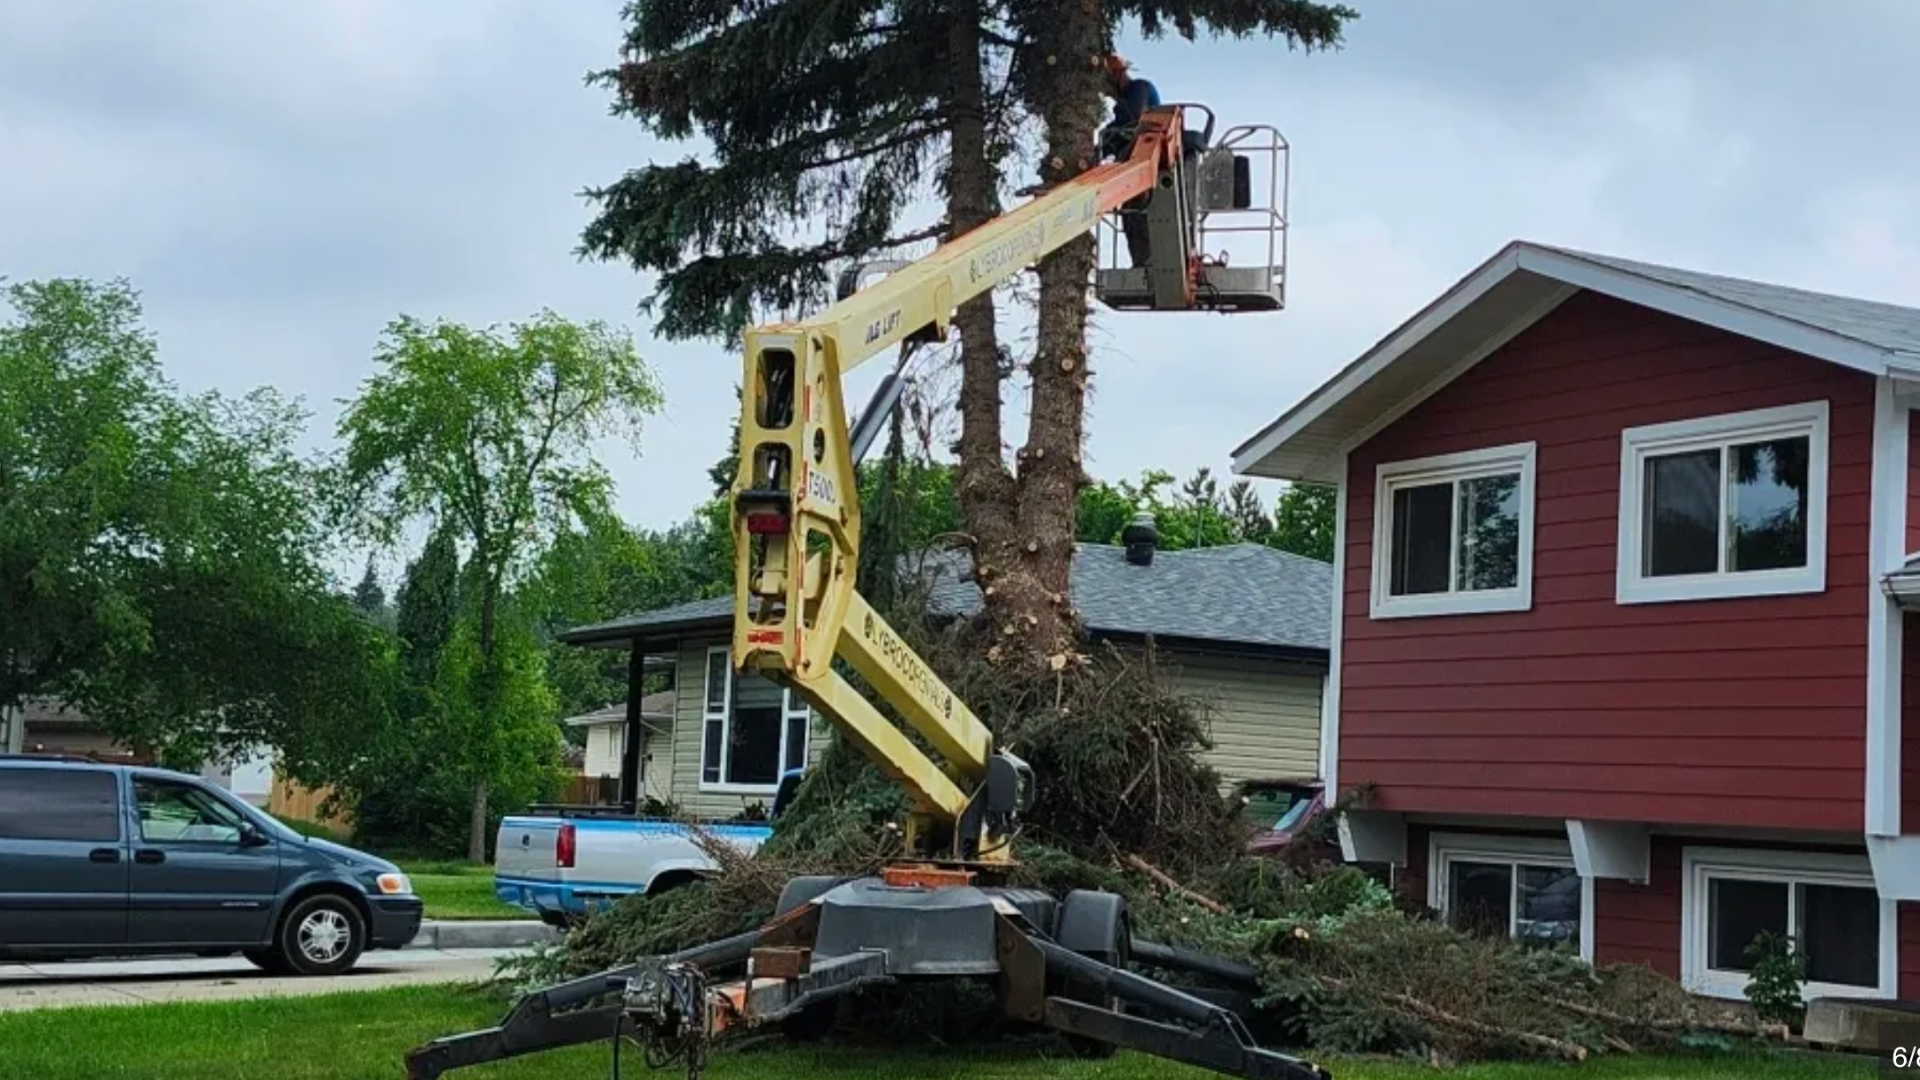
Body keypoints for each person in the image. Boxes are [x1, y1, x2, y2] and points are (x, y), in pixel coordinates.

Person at [1098, 53, 1160, 269]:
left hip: (1147, 162)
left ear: (1116, 76)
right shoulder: (1126, 101)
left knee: (1140, 213)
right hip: (1136, 165)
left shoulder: (1139, 89)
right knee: (1131, 215)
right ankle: (1141, 262)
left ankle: (1147, 262)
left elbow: (1133, 122)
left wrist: (1107, 139)